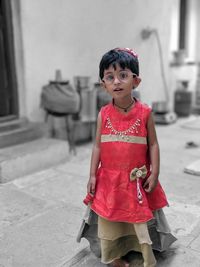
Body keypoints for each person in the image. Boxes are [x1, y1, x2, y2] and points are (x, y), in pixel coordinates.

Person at [83, 48, 176, 267]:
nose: (116, 81)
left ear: (136, 81)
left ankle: (139, 249)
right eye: (110, 77)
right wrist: (92, 175)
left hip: (137, 179)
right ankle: (115, 254)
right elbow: (97, 146)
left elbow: (153, 143)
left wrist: (155, 172)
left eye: (123, 75)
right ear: (103, 83)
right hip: (109, 179)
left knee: (137, 217)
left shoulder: (145, 113)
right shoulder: (103, 114)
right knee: (111, 218)